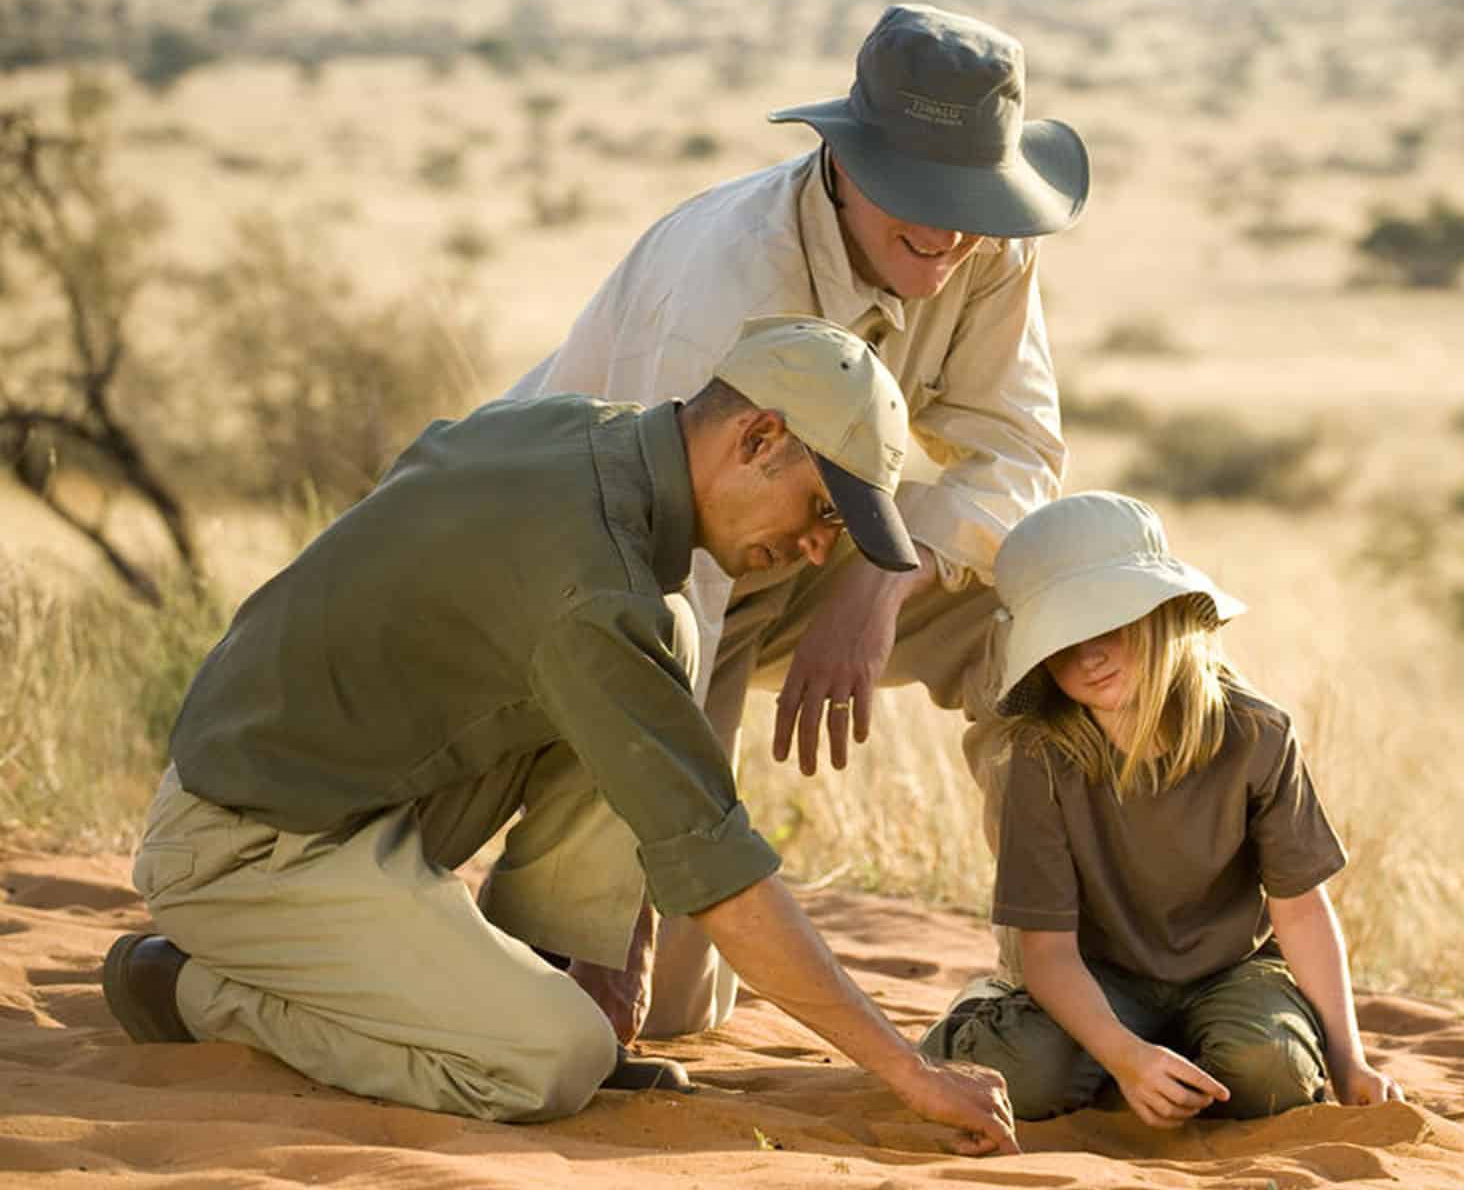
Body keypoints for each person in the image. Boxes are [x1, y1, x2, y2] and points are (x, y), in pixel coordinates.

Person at [101, 315, 1019, 1151]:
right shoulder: (597, 580)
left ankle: (532, 974)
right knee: (546, 1064)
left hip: (346, 793)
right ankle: (190, 988)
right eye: (825, 508)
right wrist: (910, 1069)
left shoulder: (583, 436)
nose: (822, 548)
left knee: (668, 638)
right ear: (758, 438)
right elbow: (720, 875)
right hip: (244, 844)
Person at [506, 2, 1089, 1039]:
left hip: (827, 543)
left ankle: (1078, 984)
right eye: (918, 191)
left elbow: (1021, 451)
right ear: (844, 159)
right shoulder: (730, 280)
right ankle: (550, 946)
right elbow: (653, 568)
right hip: (622, 563)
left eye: (969, 195)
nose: (946, 231)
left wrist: (882, 579)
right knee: (648, 1015)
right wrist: (632, 884)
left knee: (1067, 625)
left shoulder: (987, 245)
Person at [918, 492, 1402, 1126]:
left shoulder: (1258, 734)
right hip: (1098, 975)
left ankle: (1175, 1051)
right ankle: (993, 1017)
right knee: (1028, 1083)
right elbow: (1049, 951)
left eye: (1107, 624)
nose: (1088, 655)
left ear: (1163, 613)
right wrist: (1123, 1056)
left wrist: (1349, 1061)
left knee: (1271, 1076)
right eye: (1060, 639)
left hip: (1232, 971)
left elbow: (1302, 909)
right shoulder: (1039, 755)